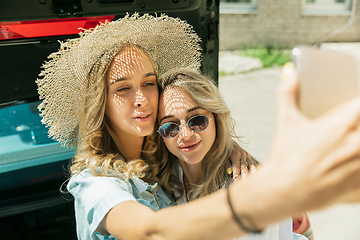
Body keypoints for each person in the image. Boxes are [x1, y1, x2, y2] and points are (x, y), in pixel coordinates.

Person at [36, 13, 360, 240]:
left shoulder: (157, 157)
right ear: (100, 103)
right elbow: (150, 232)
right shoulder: (95, 183)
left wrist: (228, 149)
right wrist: (267, 194)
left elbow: (191, 138)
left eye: (148, 83)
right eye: (122, 89)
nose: (141, 99)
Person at [156, 68, 308, 240]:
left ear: (216, 117)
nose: (186, 135)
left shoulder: (250, 191)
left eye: (197, 120)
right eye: (170, 127)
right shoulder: (156, 187)